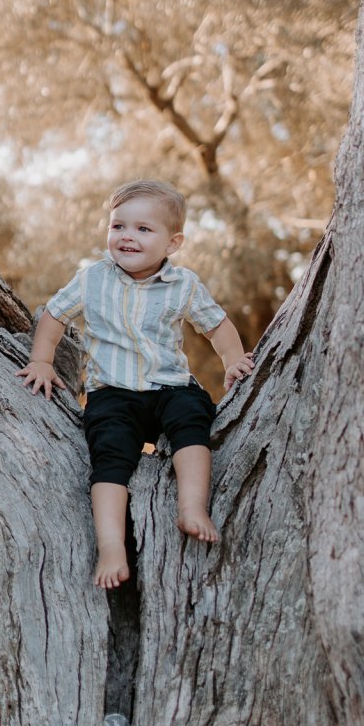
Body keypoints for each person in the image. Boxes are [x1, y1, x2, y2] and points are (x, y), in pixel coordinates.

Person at [16, 180, 254, 589]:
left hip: (170, 387)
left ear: (172, 242)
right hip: (113, 394)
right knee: (109, 456)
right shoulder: (92, 279)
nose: (127, 236)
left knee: (193, 422)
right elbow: (55, 316)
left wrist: (233, 360)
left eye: (144, 229)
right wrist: (41, 359)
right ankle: (111, 547)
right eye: (118, 226)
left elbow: (216, 326)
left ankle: (192, 507)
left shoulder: (185, 285)